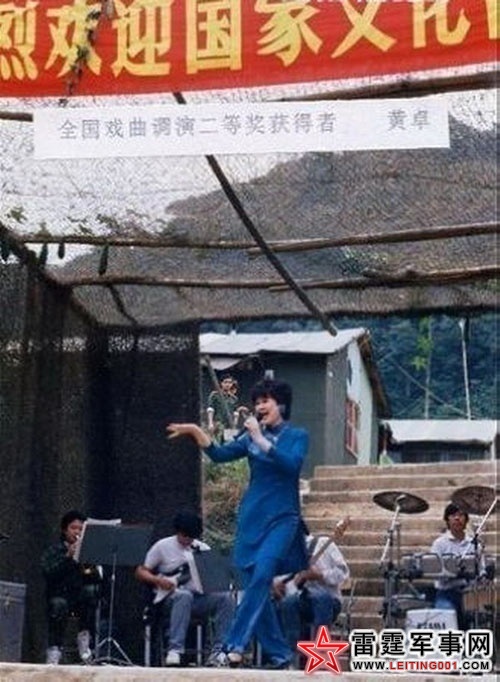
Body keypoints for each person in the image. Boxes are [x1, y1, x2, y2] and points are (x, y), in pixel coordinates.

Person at [167, 378, 309, 670]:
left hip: (283, 517)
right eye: (257, 402)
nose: (260, 406)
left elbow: (291, 465)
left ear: (281, 404)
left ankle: (234, 645)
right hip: (252, 518)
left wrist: (260, 439)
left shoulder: (297, 435)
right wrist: (196, 431)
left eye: (265, 401)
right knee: (254, 584)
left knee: (263, 574)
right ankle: (280, 655)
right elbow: (219, 454)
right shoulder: (250, 438)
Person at [134, 510, 235, 667]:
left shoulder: (202, 548)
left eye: (191, 537)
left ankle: (220, 651)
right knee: (184, 596)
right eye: (185, 536)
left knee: (225, 598)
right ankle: (175, 650)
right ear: (178, 532)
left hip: (198, 598)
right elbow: (141, 571)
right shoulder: (162, 546)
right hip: (170, 599)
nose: (188, 540)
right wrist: (158, 581)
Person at [273, 522, 350, 661]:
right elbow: (279, 582)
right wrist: (277, 586)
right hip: (299, 601)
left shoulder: (323, 544)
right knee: (288, 602)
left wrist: (320, 575)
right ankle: (292, 655)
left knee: (322, 597)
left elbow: (343, 573)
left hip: (329, 602)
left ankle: (320, 652)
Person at [41, 510, 102, 665]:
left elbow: (96, 578)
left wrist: (89, 563)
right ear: (64, 530)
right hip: (59, 595)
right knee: (59, 605)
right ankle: (54, 649)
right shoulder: (55, 550)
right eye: (73, 528)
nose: (77, 532)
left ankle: (85, 641)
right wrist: (68, 557)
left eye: (81, 529)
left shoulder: (88, 552)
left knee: (91, 592)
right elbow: (49, 573)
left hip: (79, 596)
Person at [430, 501, 484, 630]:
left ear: (466, 520)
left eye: (461, 515)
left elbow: (482, 570)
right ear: (447, 519)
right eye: (453, 515)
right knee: (444, 616)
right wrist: (450, 573)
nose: (457, 518)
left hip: (470, 593)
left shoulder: (474, 544)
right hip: (446, 592)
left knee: (481, 617)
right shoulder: (439, 544)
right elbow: (433, 571)